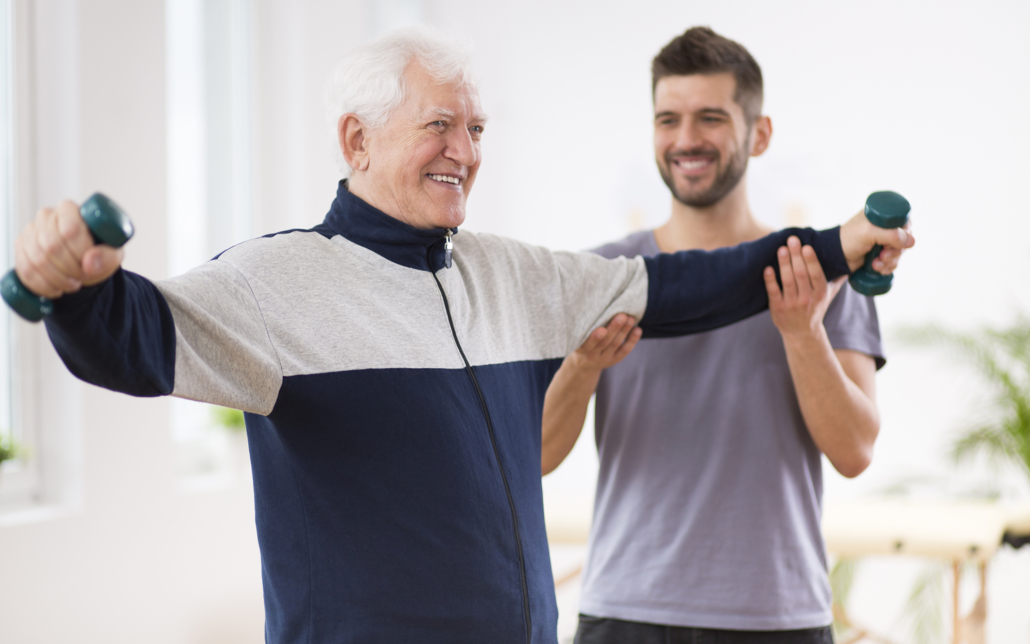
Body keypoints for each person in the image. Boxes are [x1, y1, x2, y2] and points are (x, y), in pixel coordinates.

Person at [15, 27, 909, 644]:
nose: (465, 149)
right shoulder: (275, 284)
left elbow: (680, 284)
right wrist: (74, 290)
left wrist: (837, 245)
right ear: (355, 139)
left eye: (475, 127)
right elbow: (134, 339)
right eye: (438, 124)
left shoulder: (510, 274)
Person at [541, 27, 892, 644]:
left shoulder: (815, 274)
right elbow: (537, 452)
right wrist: (583, 363)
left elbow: (855, 451)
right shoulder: (604, 275)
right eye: (667, 119)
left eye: (710, 118)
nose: (685, 140)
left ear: (759, 134)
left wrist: (802, 331)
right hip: (627, 609)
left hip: (776, 615)